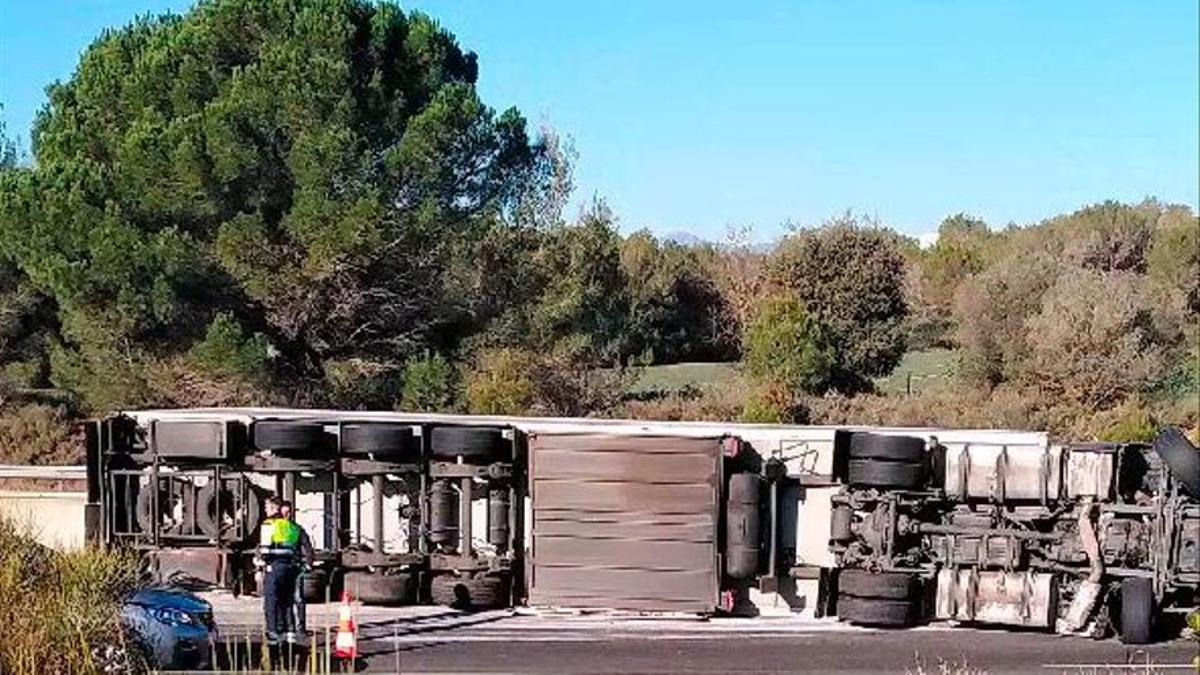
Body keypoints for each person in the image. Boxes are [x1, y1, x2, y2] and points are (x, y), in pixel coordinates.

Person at [278, 500, 314, 641]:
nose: (286, 516)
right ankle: (287, 626)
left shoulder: (296, 529)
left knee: (298, 598)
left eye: (288, 513)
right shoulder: (276, 529)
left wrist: (309, 562)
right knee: (282, 598)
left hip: (295, 567)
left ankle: (300, 627)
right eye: (284, 513)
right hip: (280, 567)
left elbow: (307, 545)